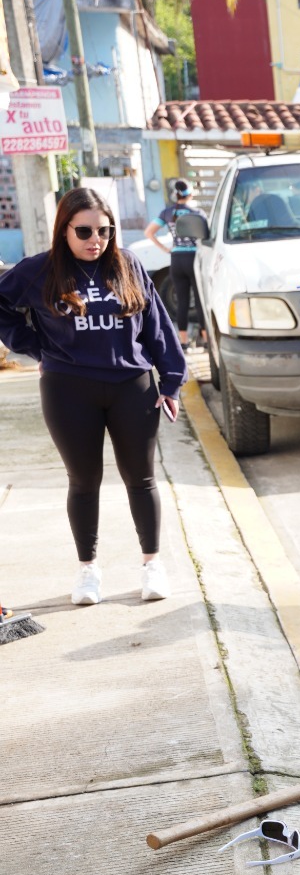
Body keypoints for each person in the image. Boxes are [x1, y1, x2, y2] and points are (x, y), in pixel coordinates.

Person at [0, 186, 188, 606]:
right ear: (64, 230)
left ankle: (152, 564)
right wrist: (33, 346)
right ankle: (88, 570)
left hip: (132, 387)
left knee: (141, 478)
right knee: (84, 481)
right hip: (68, 388)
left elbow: (155, 324)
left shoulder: (128, 265)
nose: (95, 240)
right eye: (84, 231)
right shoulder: (40, 270)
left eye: (104, 231)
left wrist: (172, 381)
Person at [143, 179, 208, 348]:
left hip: (176, 259)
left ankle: (184, 341)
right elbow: (207, 236)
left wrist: (166, 249)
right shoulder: (197, 213)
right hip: (194, 259)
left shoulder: (167, 212)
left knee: (182, 301)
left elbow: (149, 232)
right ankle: (206, 339)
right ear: (190, 193)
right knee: (200, 300)